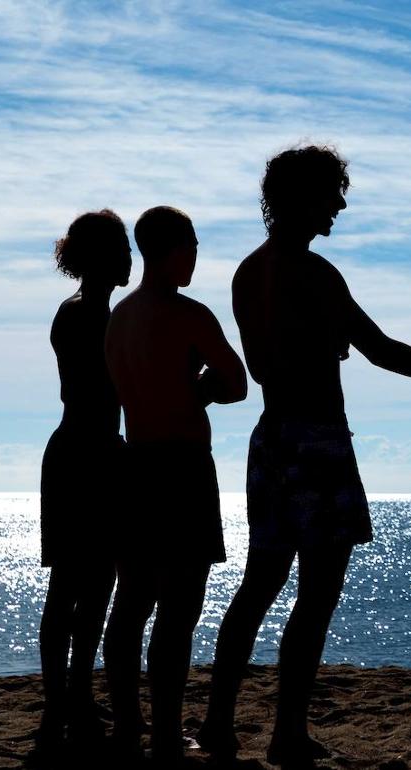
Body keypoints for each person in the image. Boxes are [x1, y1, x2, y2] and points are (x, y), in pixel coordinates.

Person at [200, 145, 411, 766]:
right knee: (317, 591)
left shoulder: (247, 270)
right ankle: (287, 731)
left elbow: (277, 360)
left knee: (258, 584)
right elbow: (377, 348)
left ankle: (217, 722)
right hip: (317, 440)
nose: (340, 204)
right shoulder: (313, 273)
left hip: (270, 440)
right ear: (303, 196)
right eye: (332, 193)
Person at [103, 206, 248, 763]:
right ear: (171, 248)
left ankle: (126, 727)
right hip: (181, 465)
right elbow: (236, 382)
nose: (195, 258)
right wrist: (204, 389)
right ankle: (164, 734)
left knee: (132, 601)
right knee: (180, 607)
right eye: (191, 246)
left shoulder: (119, 317)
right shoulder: (189, 314)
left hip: (133, 460)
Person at [33, 210, 132, 758]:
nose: (128, 260)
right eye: (120, 248)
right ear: (99, 257)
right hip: (81, 453)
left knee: (96, 585)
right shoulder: (83, 316)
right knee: (71, 586)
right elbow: (106, 384)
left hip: (95, 451)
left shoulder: (96, 312)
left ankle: (74, 693)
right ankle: (58, 703)